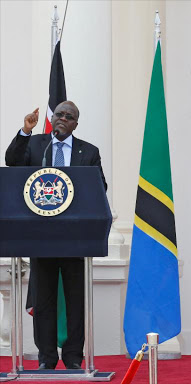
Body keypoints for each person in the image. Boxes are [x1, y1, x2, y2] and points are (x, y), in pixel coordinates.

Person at [5, 101, 107, 370]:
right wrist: (25, 131)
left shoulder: (89, 151)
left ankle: (73, 357)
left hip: (76, 237)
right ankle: (46, 358)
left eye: (68, 116)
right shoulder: (37, 144)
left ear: (75, 123)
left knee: (75, 301)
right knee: (44, 301)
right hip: (41, 235)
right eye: (58, 114)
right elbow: (13, 163)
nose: (62, 118)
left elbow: (100, 187)